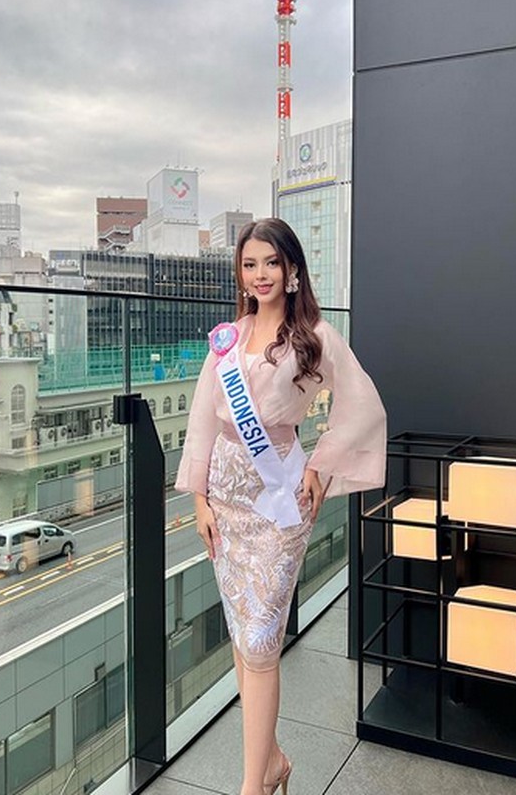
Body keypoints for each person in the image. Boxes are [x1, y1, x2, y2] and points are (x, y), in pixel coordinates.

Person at [175, 217, 386, 795]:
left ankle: (252, 787)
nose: (260, 274)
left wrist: (319, 465)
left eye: (271, 262)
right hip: (226, 497)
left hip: (279, 500)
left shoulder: (313, 335)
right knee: (245, 638)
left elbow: (363, 406)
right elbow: (202, 418)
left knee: (262, 643)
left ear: (292, 269)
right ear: (240, 273)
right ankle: (271, 765)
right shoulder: (229, 336)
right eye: (250, 264)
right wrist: (200, 501)